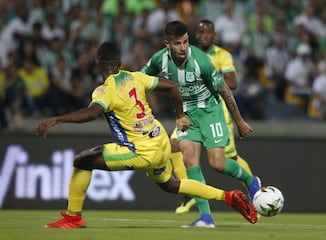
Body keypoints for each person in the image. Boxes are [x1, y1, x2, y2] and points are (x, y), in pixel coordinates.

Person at [34, 41, 258, 228]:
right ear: (119, 63)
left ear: (97, 62)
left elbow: (92, 113)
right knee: (170, 184)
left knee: (82, 160)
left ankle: (73, 217)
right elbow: (171, 86)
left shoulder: (106, 89)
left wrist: (56, 119)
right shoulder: (136, 77)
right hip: (161, 141)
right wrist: (180, 114)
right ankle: (227, 197)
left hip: (141, 149)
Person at [141, 21, 261, 228]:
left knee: (217, 163)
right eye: (177, 43)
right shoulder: (158, 60)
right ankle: (206, 218)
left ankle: (251, 181)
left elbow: (225, 90)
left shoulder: (201, 61)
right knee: (190, 162)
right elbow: (140, 80)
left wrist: (239, 121)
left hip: (210, 112)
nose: (183, 48)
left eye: (186, 42)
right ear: (167, 44)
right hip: (186, 115)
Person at [172, 19, 258, 215]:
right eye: (200, 32)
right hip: (191, 110)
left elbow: (233, 83)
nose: (204, 36)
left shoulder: (222, 55)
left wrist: (209, 75)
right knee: (175, 145)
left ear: (213, 35)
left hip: (216, 111)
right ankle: (191, 194)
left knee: (226, 159)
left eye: (207, 32)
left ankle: (252, 184)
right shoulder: (186, 53)